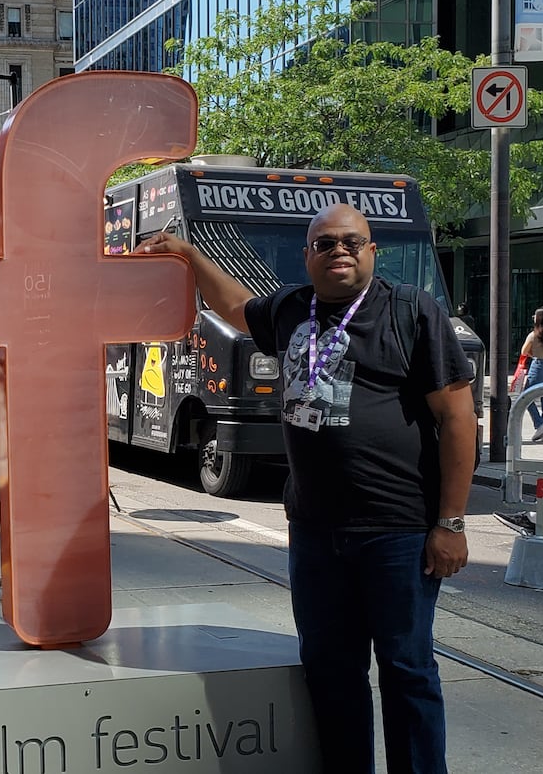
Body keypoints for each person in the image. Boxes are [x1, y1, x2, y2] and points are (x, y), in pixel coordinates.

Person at [139, 203, 475, 773]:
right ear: (308, 255)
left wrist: (451, 522)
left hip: (397, 531)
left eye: (351, 242)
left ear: (372, 251)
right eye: (325, 243)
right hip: (317, 533)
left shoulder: (411, 313)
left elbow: (459, 419)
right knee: (330, 669)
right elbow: (236, 308)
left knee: (406, 669)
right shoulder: (293, 308)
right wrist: (190, 255)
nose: (338, 251)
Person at [519, 306, 543, 442]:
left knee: (525, 396)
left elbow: (523, 352)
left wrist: (534, 353)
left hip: (538, 365)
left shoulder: (533, 335)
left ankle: (540, 424)